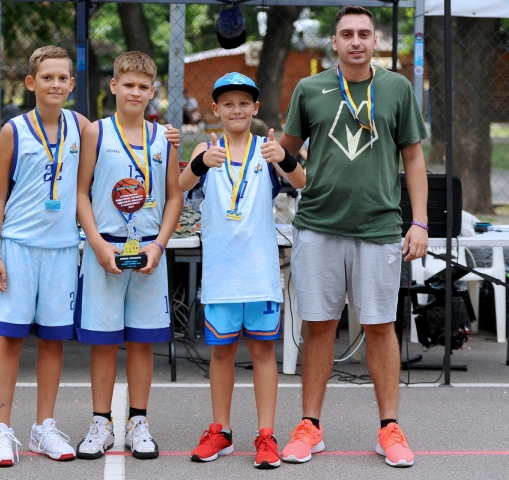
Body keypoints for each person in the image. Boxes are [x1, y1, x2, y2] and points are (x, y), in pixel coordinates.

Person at [278, 5, 429, 469]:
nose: (356, 41)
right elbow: (284, 153)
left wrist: (420, 222)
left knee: (380, 325)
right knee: (319, 324)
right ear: (335, 42)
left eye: (364, 33)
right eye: (347, 34)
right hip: (318, 225)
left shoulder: (397, 88)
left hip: (379, 227)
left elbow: (414, 158)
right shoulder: (309, 89)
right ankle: (310, 426)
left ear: (375, 40)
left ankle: (389, 429)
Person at [179, 72, 305, 469]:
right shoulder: (208, 148)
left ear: (255, 108)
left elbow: (302, 180)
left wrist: (283, 157)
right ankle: (221, 430)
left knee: (263, 352)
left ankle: (266, 434)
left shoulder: (267, 150)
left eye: (244, 103)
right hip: (221, 275)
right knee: (221, 353)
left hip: (260, 273)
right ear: (216, 109)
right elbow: (180, 185)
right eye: (228, 104)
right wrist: (199, 162)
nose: (237, 110)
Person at [0, 46, 90, 467]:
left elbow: (124, 133)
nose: (55, 84)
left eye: (63, 78)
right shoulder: (13, 130)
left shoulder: (81, 126)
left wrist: (165, 135)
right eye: (47, 77)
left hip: (62, 249)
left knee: (52, 339)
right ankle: (0, 429)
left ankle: (43, 427)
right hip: (18, 248)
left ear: (72, 83)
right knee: (11, 337)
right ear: (31, 83)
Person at [74, 51, 183, 461]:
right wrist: (96, 244)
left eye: (143, 86)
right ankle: (101, 422)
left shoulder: (164, 138)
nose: (135, 92)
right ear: (114, 86)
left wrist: (160, 245)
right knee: (104, 343)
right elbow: (81, 192)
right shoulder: (96, 132)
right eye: (129, 85)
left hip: (149, 249)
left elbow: (175, 196)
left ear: (153, 92)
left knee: (141, 341)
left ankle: (138, 422)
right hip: (106, 246)